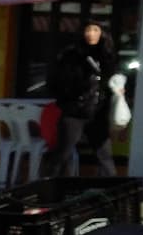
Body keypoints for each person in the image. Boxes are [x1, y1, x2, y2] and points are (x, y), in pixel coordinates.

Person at [45, 20, 119, 177]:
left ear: (102, 33)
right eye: (88, 30)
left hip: (98, 113)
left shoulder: (107, 55)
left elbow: (112, 81)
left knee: (105, 156)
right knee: (62, 154)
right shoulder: (72, 54)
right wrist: (69, 99)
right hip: (75, 112)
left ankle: (112, 195)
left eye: (95, 30)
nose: (91, 34)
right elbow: (55, 81)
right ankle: (48, 189)